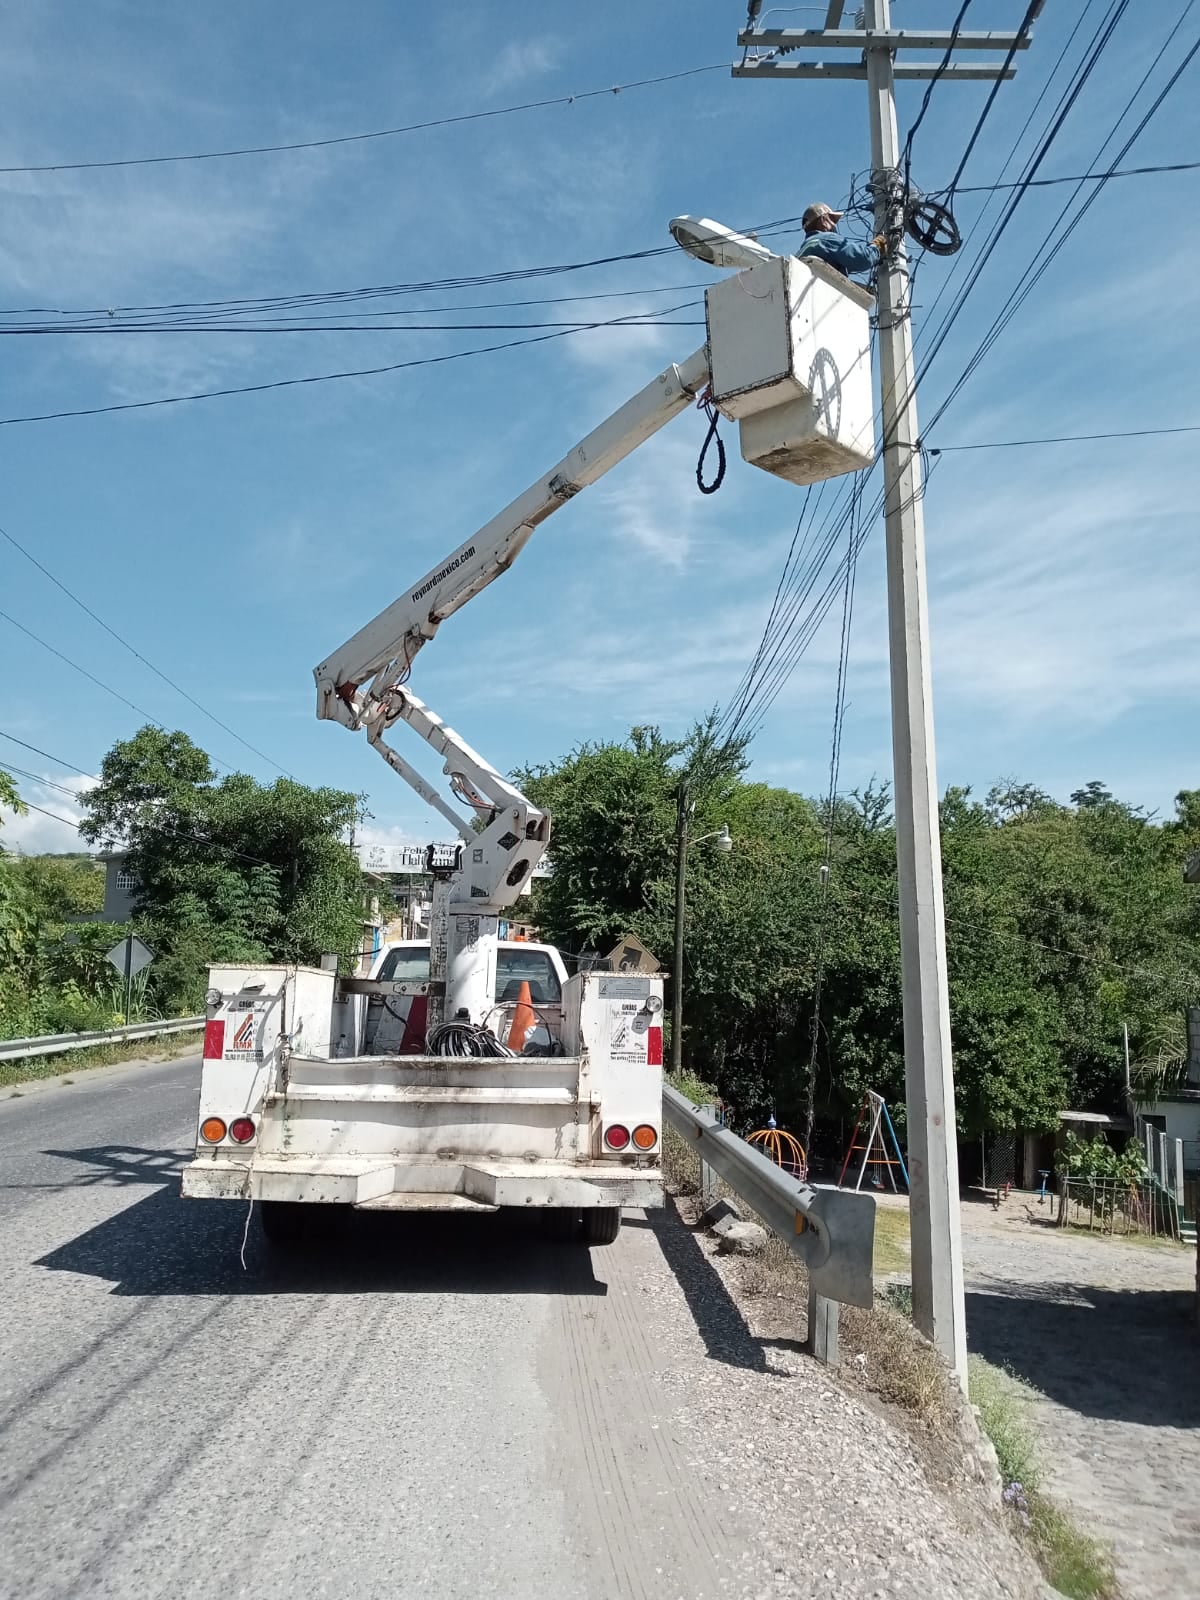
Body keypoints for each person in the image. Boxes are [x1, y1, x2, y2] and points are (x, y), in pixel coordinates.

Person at [796, 202, 888, 281]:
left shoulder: (800, 253)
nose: (835, 225)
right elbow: (862, 258)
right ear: (823, 220)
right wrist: (877, 246)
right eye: (832, 219)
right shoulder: (827, 239)